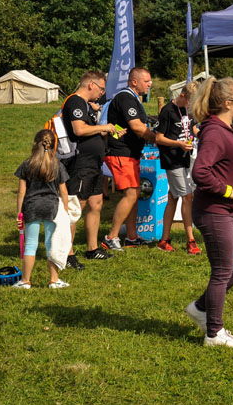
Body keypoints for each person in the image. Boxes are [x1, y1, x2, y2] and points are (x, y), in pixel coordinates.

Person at [185, 77, 233, 347]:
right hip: (214, 210)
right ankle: (214, 333)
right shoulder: (215, 132)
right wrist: (228, 191)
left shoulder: (223, 128)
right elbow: (200, 172)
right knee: (222, 271)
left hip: (227, 211)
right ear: (227, 103)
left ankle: (201, 308)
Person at [62, 70, 120, 265]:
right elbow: (79, 130)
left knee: (96, 203)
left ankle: (92, 249)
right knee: (76, 207)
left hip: (94, 163)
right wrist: (104, 127)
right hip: (81, 163)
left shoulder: (86, 105)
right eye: (101, 89)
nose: (102, 93)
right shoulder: (75, 101)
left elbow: (89, 130)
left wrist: (108, 130)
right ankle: (67, 253)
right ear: (91, 85)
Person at [102, 67, 157, 251]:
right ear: (134, 82)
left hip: (130, 153)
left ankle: (131, 237)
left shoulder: (132, 98)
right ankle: (111, 237)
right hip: (121, 153)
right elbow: (137, 127)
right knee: (131, 193)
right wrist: (157, 139)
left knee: (133, 193)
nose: (150, 84)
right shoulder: (126, 98)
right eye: (146, 81)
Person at [13, 129, 71, 289]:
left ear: (35, 144)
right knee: (51, 244)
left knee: (30, 244)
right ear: (53, 146)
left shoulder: (27, 165)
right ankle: (54, 280)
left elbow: (21, 192)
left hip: (31, 207)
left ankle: (25, 281)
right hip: (52, 208)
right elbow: (64, 191)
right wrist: (65, 211)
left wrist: (19, 213)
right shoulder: (57, 165)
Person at [155, 81, 201, 255]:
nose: (191, 105)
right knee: (187, 196)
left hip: (185, 158)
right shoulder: (168, 111)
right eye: (190, 101)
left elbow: (192, 127)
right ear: (182, 95)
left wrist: (204, 135)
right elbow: (158, 138)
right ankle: (191, 241)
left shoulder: (188, 110)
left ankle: (164, 240)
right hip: (172, 159)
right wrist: (179, 144)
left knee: (173, 197)